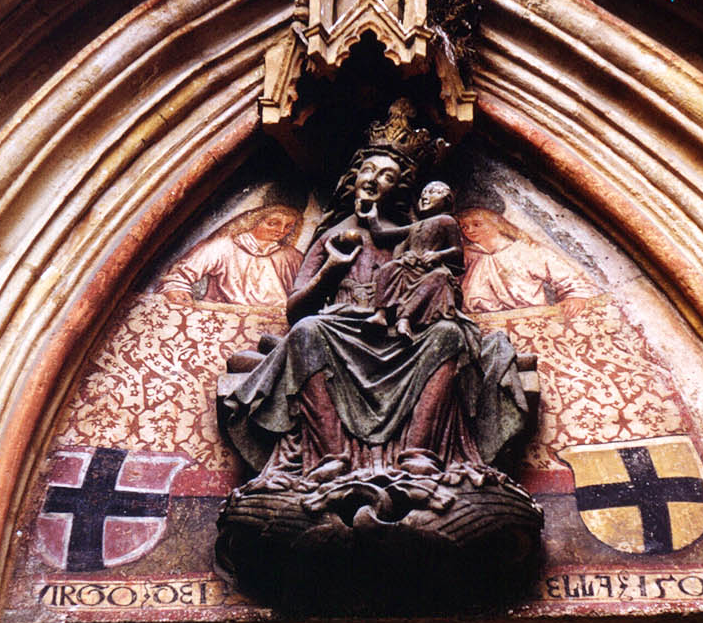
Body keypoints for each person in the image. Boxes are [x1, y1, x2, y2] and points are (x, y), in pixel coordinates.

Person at [220, 106, 528, 484]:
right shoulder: (331, 236)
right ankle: (329, 456)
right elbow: (296, 310)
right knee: (307, 333)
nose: (373, 179)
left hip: (403, 331)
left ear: (399, 188)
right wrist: (331, 269)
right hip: (343, 327)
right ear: (354, 177)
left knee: (449, 335)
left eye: (386, 175)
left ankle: (420, 451)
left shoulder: (416, 233)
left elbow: (443, 288)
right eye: (368, 170)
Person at [365, 180, 464, 339]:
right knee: (388, 269)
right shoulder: (415, 226)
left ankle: (405, 319)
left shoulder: (447, 221)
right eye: (423, 193)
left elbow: (457, 251)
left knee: (439, 278)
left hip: (429, 270)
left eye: (432, 192)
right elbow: (382, 236)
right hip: (408, 266)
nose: (425, 196)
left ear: (446, 200)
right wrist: (372, 219)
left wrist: (438, 255)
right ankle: (381, 314)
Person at [458, 206, 597, 314]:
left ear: (496, 223)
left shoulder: (527, 250)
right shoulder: (466, 256)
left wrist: (575, 297)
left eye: (477, 224)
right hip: (482, 326)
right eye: (464, 226)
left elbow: (570, 279)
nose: (469, 230)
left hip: (530, 324)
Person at [160, 203, 303, 305]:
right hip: (225, 318)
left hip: (273, 321)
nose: (281, 230)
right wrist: (176, 288)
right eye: (273, 223)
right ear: (254, 221)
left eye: (288, 226)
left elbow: (305, 289)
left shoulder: (291, 256)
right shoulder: (223, 246)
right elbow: (178, 275)